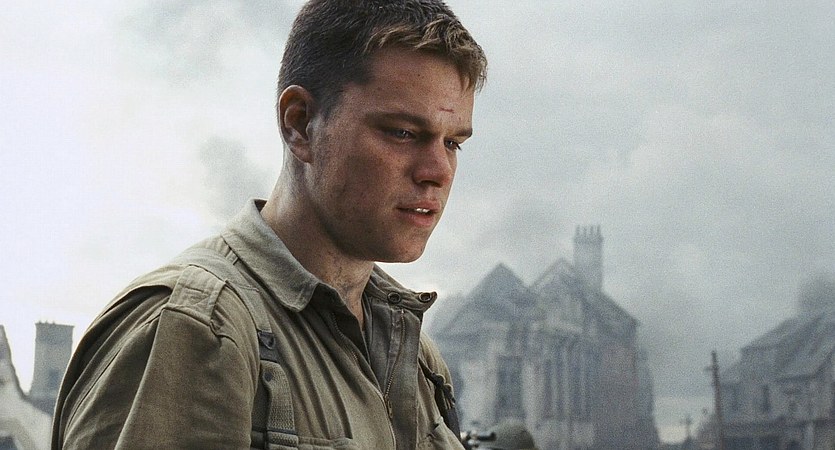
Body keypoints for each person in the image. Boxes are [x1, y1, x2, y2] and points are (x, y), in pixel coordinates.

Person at [50, 1, 487, 449]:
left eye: (453, 143)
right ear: (300, 124)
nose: (438, 171)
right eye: (402, 133)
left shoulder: (415, 356)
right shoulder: (196, 328)